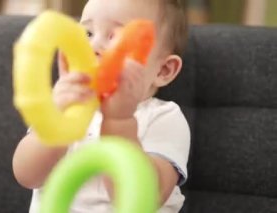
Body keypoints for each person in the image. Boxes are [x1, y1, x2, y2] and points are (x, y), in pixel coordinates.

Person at [13, 0, 190, 212]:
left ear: (163, 70)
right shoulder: (62, 105)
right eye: (87, 33)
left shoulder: (164, 117)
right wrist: (58, 124)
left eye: (116, 37)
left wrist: (120, 120)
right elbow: (26, 175)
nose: (93, 47)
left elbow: (148, 197)